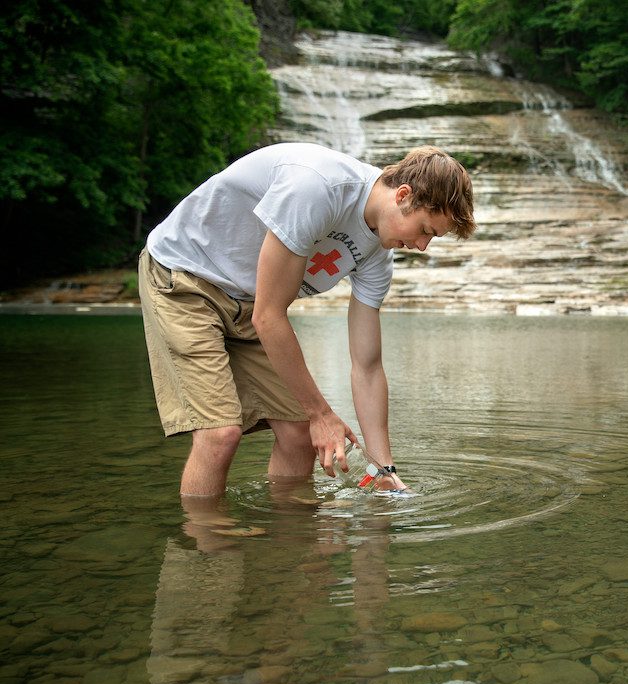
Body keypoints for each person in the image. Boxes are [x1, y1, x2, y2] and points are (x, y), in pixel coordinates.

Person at [139, 142, 476, 498]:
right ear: (404, 196)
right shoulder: (317, 187)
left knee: (300, 434)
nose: (422, 246)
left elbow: (368, 366)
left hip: (249, 301)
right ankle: (206, 547)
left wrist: (382, 468)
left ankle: (290, 546)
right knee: (220, 434)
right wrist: (322, 413)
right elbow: (269, 316)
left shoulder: (379, 253)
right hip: (184, 278)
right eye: (425, 230)